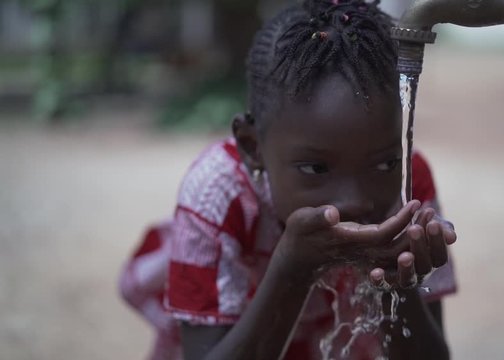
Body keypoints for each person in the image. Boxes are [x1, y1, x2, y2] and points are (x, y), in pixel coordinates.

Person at [119, 1, 457, 359]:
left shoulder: (409, 188)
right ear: (253, 147)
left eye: (385, 163)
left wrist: (399, 280)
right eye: (316, 169)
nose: (356, 201)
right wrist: (293, 267)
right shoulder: (217, 193)